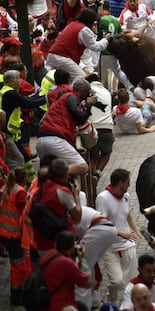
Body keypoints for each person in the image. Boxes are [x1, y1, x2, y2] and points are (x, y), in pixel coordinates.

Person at [36, 79, 103, 176]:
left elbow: (78, 120)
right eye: (87, 92)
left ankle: (47, 175)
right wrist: (88, 104)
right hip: (54, 140)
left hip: (42, 140)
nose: (88, 95)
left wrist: (73, 147)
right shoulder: (71, 96)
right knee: (82, 167)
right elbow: (79, 117)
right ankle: (49, 173)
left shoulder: (61, 104)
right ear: (81, 90)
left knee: (52, 176)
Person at [96, 168, 142, 303]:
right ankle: (111, 302)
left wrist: (136, 229)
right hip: (110, 248)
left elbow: (127, 215)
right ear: (120, 182)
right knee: (117, 282)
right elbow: (101, 224)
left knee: (132, 282)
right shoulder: (103, 198)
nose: (129, 185)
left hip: (128, 245)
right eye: (128, 182)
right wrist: (121, 233)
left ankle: (131, 305)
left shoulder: (126, 196)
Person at [74, 205, 134, 310]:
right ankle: (94, 299)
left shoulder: (64, 213)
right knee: (89, 266)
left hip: (100, 230)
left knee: (83, 267)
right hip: (108, 230)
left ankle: (84, 306)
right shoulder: (76, 204)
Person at [0, 70, 46, 183]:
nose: (21, 81)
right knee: (18, 159)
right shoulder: (11, 94)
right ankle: (14, 183)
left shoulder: (7, 91)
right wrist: (48, 98)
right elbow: (29, 103)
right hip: (7, 133)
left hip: (10, 132)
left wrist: (38, 95)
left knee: (25, 156)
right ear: (11, 81)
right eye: (18, 78)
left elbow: (27, 100)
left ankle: (31, 181)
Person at [32, 159, 82, 254]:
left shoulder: (38, 191)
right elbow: (78, 217)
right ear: (65, 174)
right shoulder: (62, 191)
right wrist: (76, 196)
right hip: (60, 243)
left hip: (40, 240)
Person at [46, 9, 110, 81]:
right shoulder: (84, 29)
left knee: (65, 80)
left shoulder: (73, 24)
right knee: (81, 77)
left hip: (53, 55)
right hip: (62, 57)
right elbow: (95, 46)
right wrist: (105, 40)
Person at [41, 230, 91, 311]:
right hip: (62, 305)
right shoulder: (66, 263)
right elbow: (87, 283)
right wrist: (82, 260)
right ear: (72, 247)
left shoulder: (48, 255)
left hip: (46, 301)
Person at [0, 167, 28, 305]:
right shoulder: (20, 192)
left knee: (16, 263)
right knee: (18, 265)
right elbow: (24, 215)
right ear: (24, 179)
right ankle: (17, 295)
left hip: (4, 232)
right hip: (13, 235)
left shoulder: (6, 187)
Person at [85, 73, 114, 180]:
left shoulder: (88, 91)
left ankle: (89, 180)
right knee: (106, 153)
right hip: (107, 128)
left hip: (92, 128)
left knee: (92, 157)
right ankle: (97, 173)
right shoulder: (107, 92)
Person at [99, 10, 135, 91]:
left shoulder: (100, 20)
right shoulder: (115, 20)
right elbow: (120, 34)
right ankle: (129, 86)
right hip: (114, 51)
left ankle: (104, 93)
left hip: (103, 50)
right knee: (117, 71)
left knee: (103, 75)